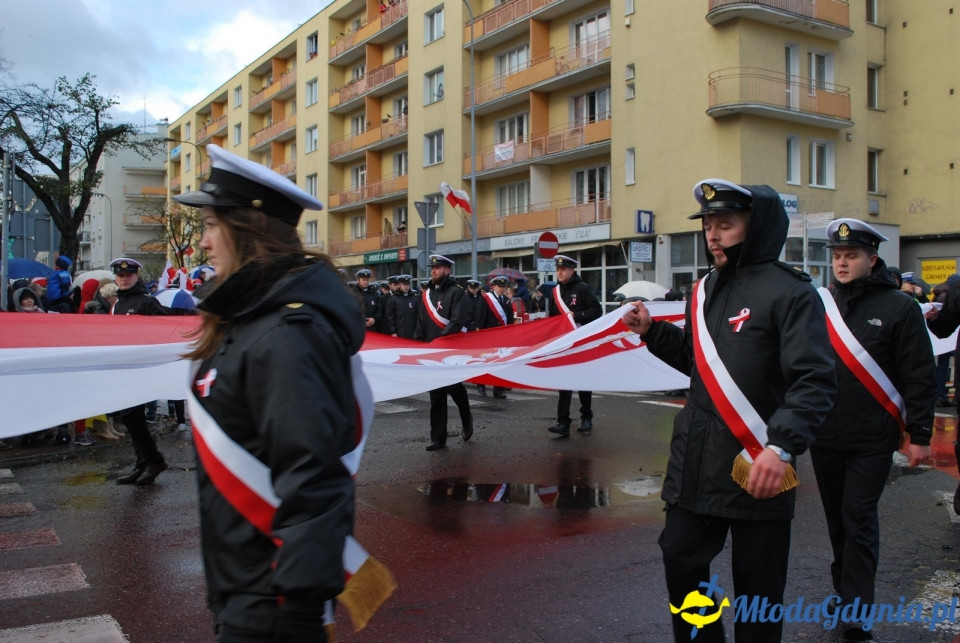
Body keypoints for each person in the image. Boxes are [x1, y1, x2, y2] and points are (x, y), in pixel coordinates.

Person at [622, 178, 837, 643]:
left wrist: (781, 447)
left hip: (757, 461)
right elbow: (700, 365)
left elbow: (814, 380)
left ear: (755, 228)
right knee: (680, 560)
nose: (713, 235)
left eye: (726, 224)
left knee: (757, 591)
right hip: (696, 461)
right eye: (708, 226)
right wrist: (651, 331)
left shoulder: (792, 292)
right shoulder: (704, 289)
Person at [174, 143, 366, 641]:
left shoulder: (287, 333)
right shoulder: (253, 319)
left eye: (211, 226)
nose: (203, 244)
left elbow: (313, 478)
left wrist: (298, 609)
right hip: (249, 588)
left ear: (246, 229)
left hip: (273, 605)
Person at [811, 218, 935, 642]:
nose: (842, 263)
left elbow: (920, 373)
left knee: (858, 517)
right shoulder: (820, 303)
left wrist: (920, 434)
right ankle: (844, 591)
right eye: (838, 256)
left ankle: (857, 609)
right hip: (825, 434)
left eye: (852, 256)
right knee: (836, 521)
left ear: (872, 259)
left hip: (872, 438)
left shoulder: (900, 307)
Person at [110, 257, 170, 485]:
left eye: (128, 275)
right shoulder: (117, 305)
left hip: (142, 368)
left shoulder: (147, 303)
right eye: (120, 275)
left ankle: (153, 460)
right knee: (130, 417)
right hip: (124, 368)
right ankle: (144, 462)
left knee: (131, 415)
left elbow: (162, 332)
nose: (124, 279)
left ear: (136, 276)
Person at [414, 254, 474, 450]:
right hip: (432, 352)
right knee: (436, 395)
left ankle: (467, 419)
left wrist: (440, 340)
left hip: (449, 350)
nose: (433, 271)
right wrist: (417, 347)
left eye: (438, 268)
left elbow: (458, 321)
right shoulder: (428, 294)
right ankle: (438, 438)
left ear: (447, 270)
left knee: (455, 389)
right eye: (432, 267)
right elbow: (421, 322)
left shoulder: (457, 293)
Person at [547, 255, 602, 436]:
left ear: (572, 270)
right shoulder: (555, 292)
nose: (559, 272)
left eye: (563, 269)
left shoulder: (583, 288)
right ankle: (563, 422)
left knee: (583, 380)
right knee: (564, 382)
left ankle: (586, 418)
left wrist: (575, 316)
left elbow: (596, 311)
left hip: (581, 340)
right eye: (558, 269)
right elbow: (553, 318)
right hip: (564, 342)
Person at [384, 274, 418, 339]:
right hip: (399, 334)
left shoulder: (414, 298)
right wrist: (393, 332)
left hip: (412, 333)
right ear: (399, 285)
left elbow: (417, 315)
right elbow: (390, 317)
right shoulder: (393, 299)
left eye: (407, 284)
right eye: (404, 284)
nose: (406, 287)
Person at [352, 268, 383, 332]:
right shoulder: (352, 294)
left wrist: (374, 319)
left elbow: (379, 310)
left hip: (372, 329)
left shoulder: (374, 294)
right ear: (358, 280)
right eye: (364, 280)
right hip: (357, 328)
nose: (366, 282)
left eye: (367, 280)